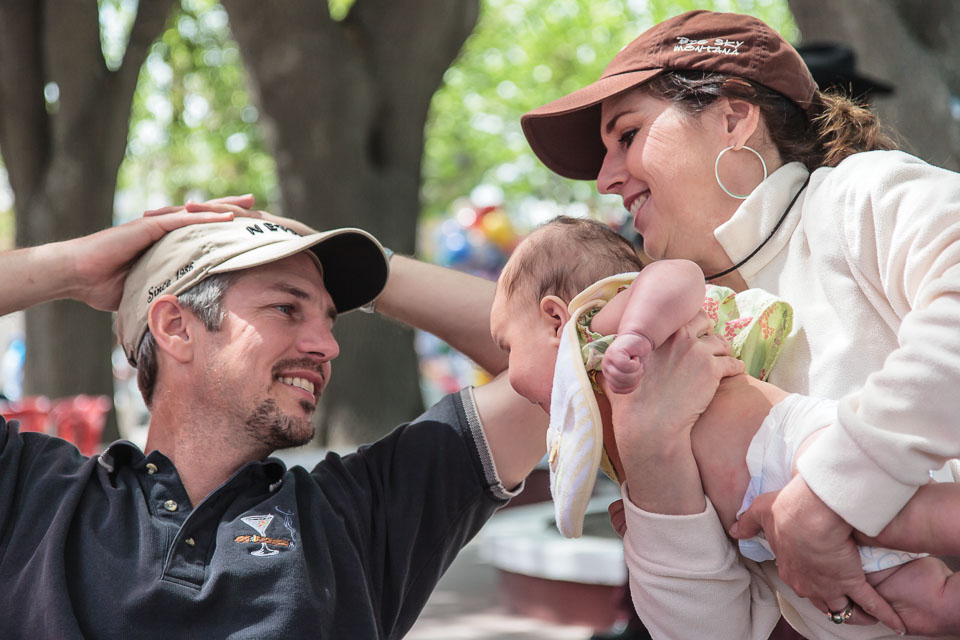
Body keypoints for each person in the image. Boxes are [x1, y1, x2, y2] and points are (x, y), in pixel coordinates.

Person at [519, 9, 960, 638]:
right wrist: (652, 459)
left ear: (733, 118)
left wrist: (829, 494)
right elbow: (709, 630)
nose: (606, 179)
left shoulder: (855, 197)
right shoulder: (666, 328)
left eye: (628, 135)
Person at [0, 201, 549, 639]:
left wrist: (378, 274)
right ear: (176, 328)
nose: (327, 347)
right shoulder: (33, 494)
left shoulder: (358, 515)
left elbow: (558, 359)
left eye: (331, 320)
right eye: (287, 308)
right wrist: (73, 268)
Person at [491, 215, 960, 639]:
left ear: (556, 319)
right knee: (927, 609)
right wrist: (644, 518)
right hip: (772, 536)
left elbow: (677, 276)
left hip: (789, 447)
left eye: (507, 347)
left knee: (914, 517)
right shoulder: (605, 423)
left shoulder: (600, 331)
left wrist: (636, 333)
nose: (505, 373)